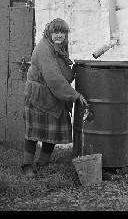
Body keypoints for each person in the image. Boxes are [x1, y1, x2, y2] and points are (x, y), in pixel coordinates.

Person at [22, 18, 88, 177]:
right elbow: (54, 78)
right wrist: (75, 95)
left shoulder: (59, 47)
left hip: (53, 95)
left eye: (63, 32)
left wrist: (76, 70)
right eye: (56, 32)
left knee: (51, 133)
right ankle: (26, 166)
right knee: (34, 134)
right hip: (39, 96)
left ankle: (43, 164)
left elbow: (63, 73)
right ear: (49, 33)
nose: (59, 35)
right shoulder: (44, 49)